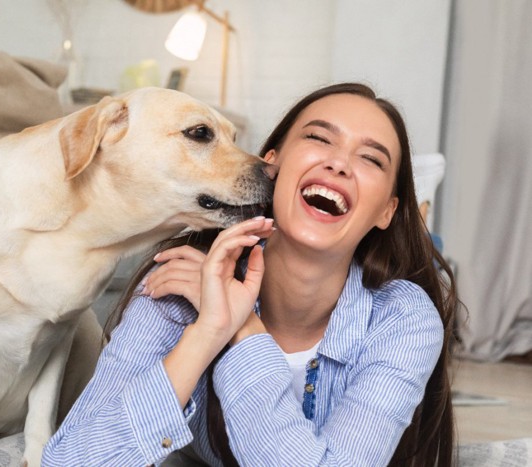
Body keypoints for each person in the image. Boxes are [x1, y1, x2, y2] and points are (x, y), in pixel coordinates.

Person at [42, 82, 458, 466]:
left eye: (370, 158)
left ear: (387, 211)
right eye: (318, 138)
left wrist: (242, 328)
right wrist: (206, 332)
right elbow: (73, 459)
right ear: (270, 165)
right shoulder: (184, 277)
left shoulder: (404, 318)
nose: (338, 163)